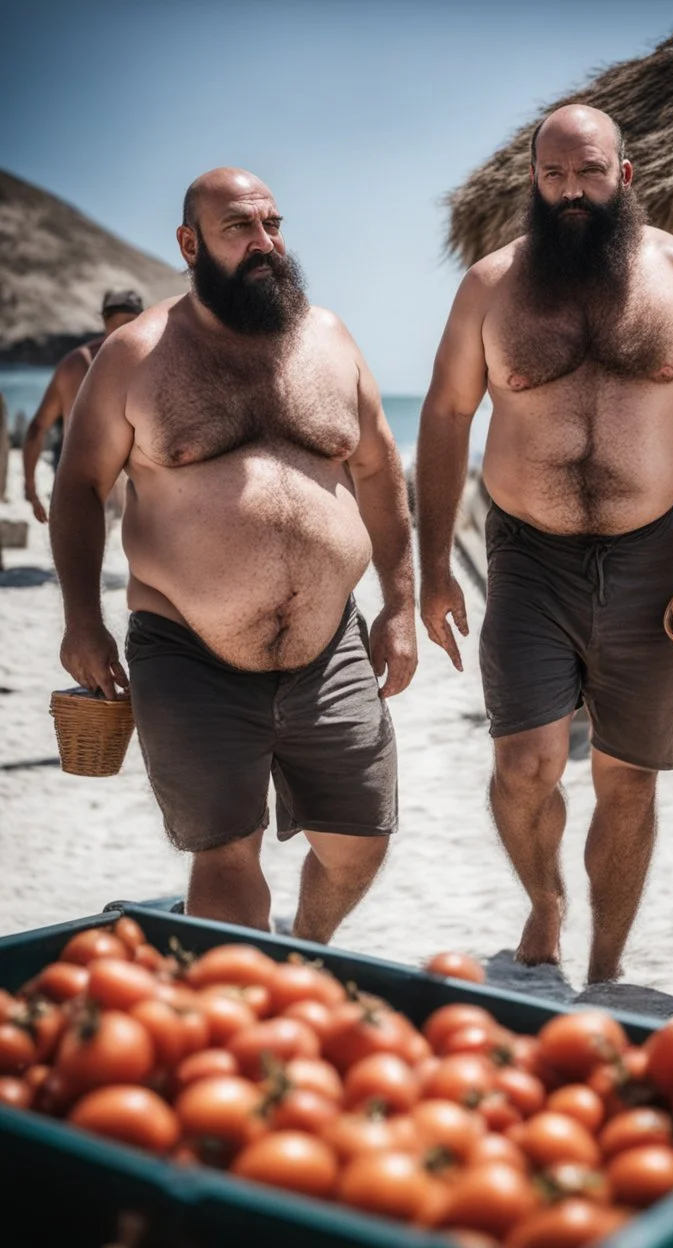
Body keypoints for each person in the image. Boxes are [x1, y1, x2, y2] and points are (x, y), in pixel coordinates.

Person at [416, 105, 673, 984]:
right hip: (527, 555)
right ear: (534, 183)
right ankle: (544, 900)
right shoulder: (491, 286)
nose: (571, 192)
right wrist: (432, 566)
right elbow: (444, 415)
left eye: (588, 173)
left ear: (624, 176)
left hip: (650, 559)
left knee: (629, 779)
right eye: (553, 176)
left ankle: (606, 967)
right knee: (526, 763)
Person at [50, 167, 417, 938]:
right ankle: (248, 993)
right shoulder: (137, 354)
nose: (264, 244)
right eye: (238, 229)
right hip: (188, 651)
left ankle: (307, 952)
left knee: (359, 842)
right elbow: (80, 485)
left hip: (329, 647)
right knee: (224, 853)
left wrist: (404, 604)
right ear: (189, 244)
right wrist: (82, 620)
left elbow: (380, 468)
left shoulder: (331, 338)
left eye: (272, 225)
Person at [23, 290, 145, 522]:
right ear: (140, 318)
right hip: (130, 491)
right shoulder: (149, 362)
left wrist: (31, 488)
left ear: (103, 319)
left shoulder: (74, 364)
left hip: (80, 485)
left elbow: (37, 428)